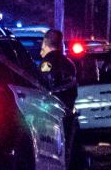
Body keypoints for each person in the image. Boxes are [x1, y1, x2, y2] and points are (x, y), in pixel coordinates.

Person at [38, 30, 80, 166]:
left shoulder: (46, 63)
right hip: (68, 113)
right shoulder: (69, 63)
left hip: (52, 115)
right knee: (67, 151)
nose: (41, 52)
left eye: (42, 47)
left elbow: (42, 85)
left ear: (46, 43)